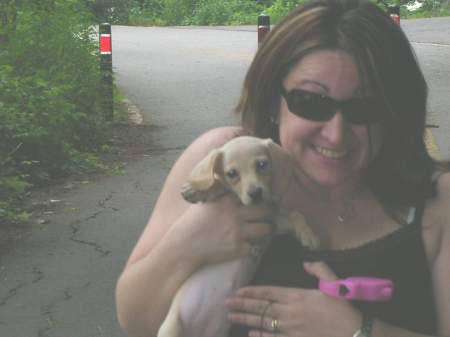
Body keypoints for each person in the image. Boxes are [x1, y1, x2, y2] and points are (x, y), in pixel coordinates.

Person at [115, 0, 450, 336]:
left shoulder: (438, 200)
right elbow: (136, 321)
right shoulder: (220, 161)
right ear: (274, 102)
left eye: (364, 106)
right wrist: (190, 240)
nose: (335, 134)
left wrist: (356, 330)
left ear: (393, 110)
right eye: (310, 102)